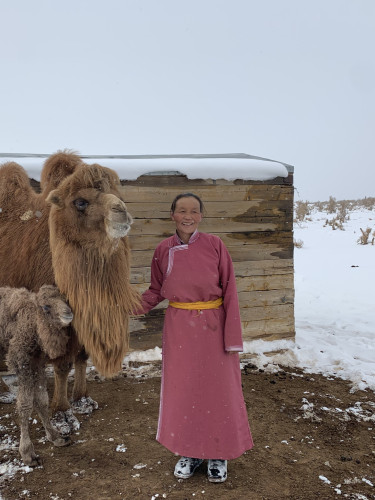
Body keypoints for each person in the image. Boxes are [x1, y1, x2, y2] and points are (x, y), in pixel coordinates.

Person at [137, 192, 253, 483]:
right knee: (185, 390)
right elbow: (155, 291)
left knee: (219, 392)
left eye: (194, 211)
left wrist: (232, 337)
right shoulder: (163, 250)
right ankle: (189, 451)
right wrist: (124, 306)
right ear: (172, 215)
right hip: (179, 328)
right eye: (181, 210)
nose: (188, 216)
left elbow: (230, 291)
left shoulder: (215, 245)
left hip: (214, 326)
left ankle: (218, 453)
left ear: (201, 216)